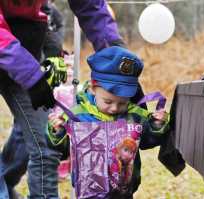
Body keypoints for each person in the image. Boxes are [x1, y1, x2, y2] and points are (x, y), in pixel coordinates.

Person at [0, 0, 126, 198]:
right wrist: (31, 76)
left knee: (46, 143)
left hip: (26, 49)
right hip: (12, 50)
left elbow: (90, 6)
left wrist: (116, 55)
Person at [47, 46, 170, 199]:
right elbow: (64, 150)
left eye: (122, 103)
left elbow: (146, 141)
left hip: (123, 192)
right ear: (93, 89)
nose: (114, 108)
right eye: (108, 101)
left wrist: (156, 126)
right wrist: (57, 132)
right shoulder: (78, 114)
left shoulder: (134, 114)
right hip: (88, 191)